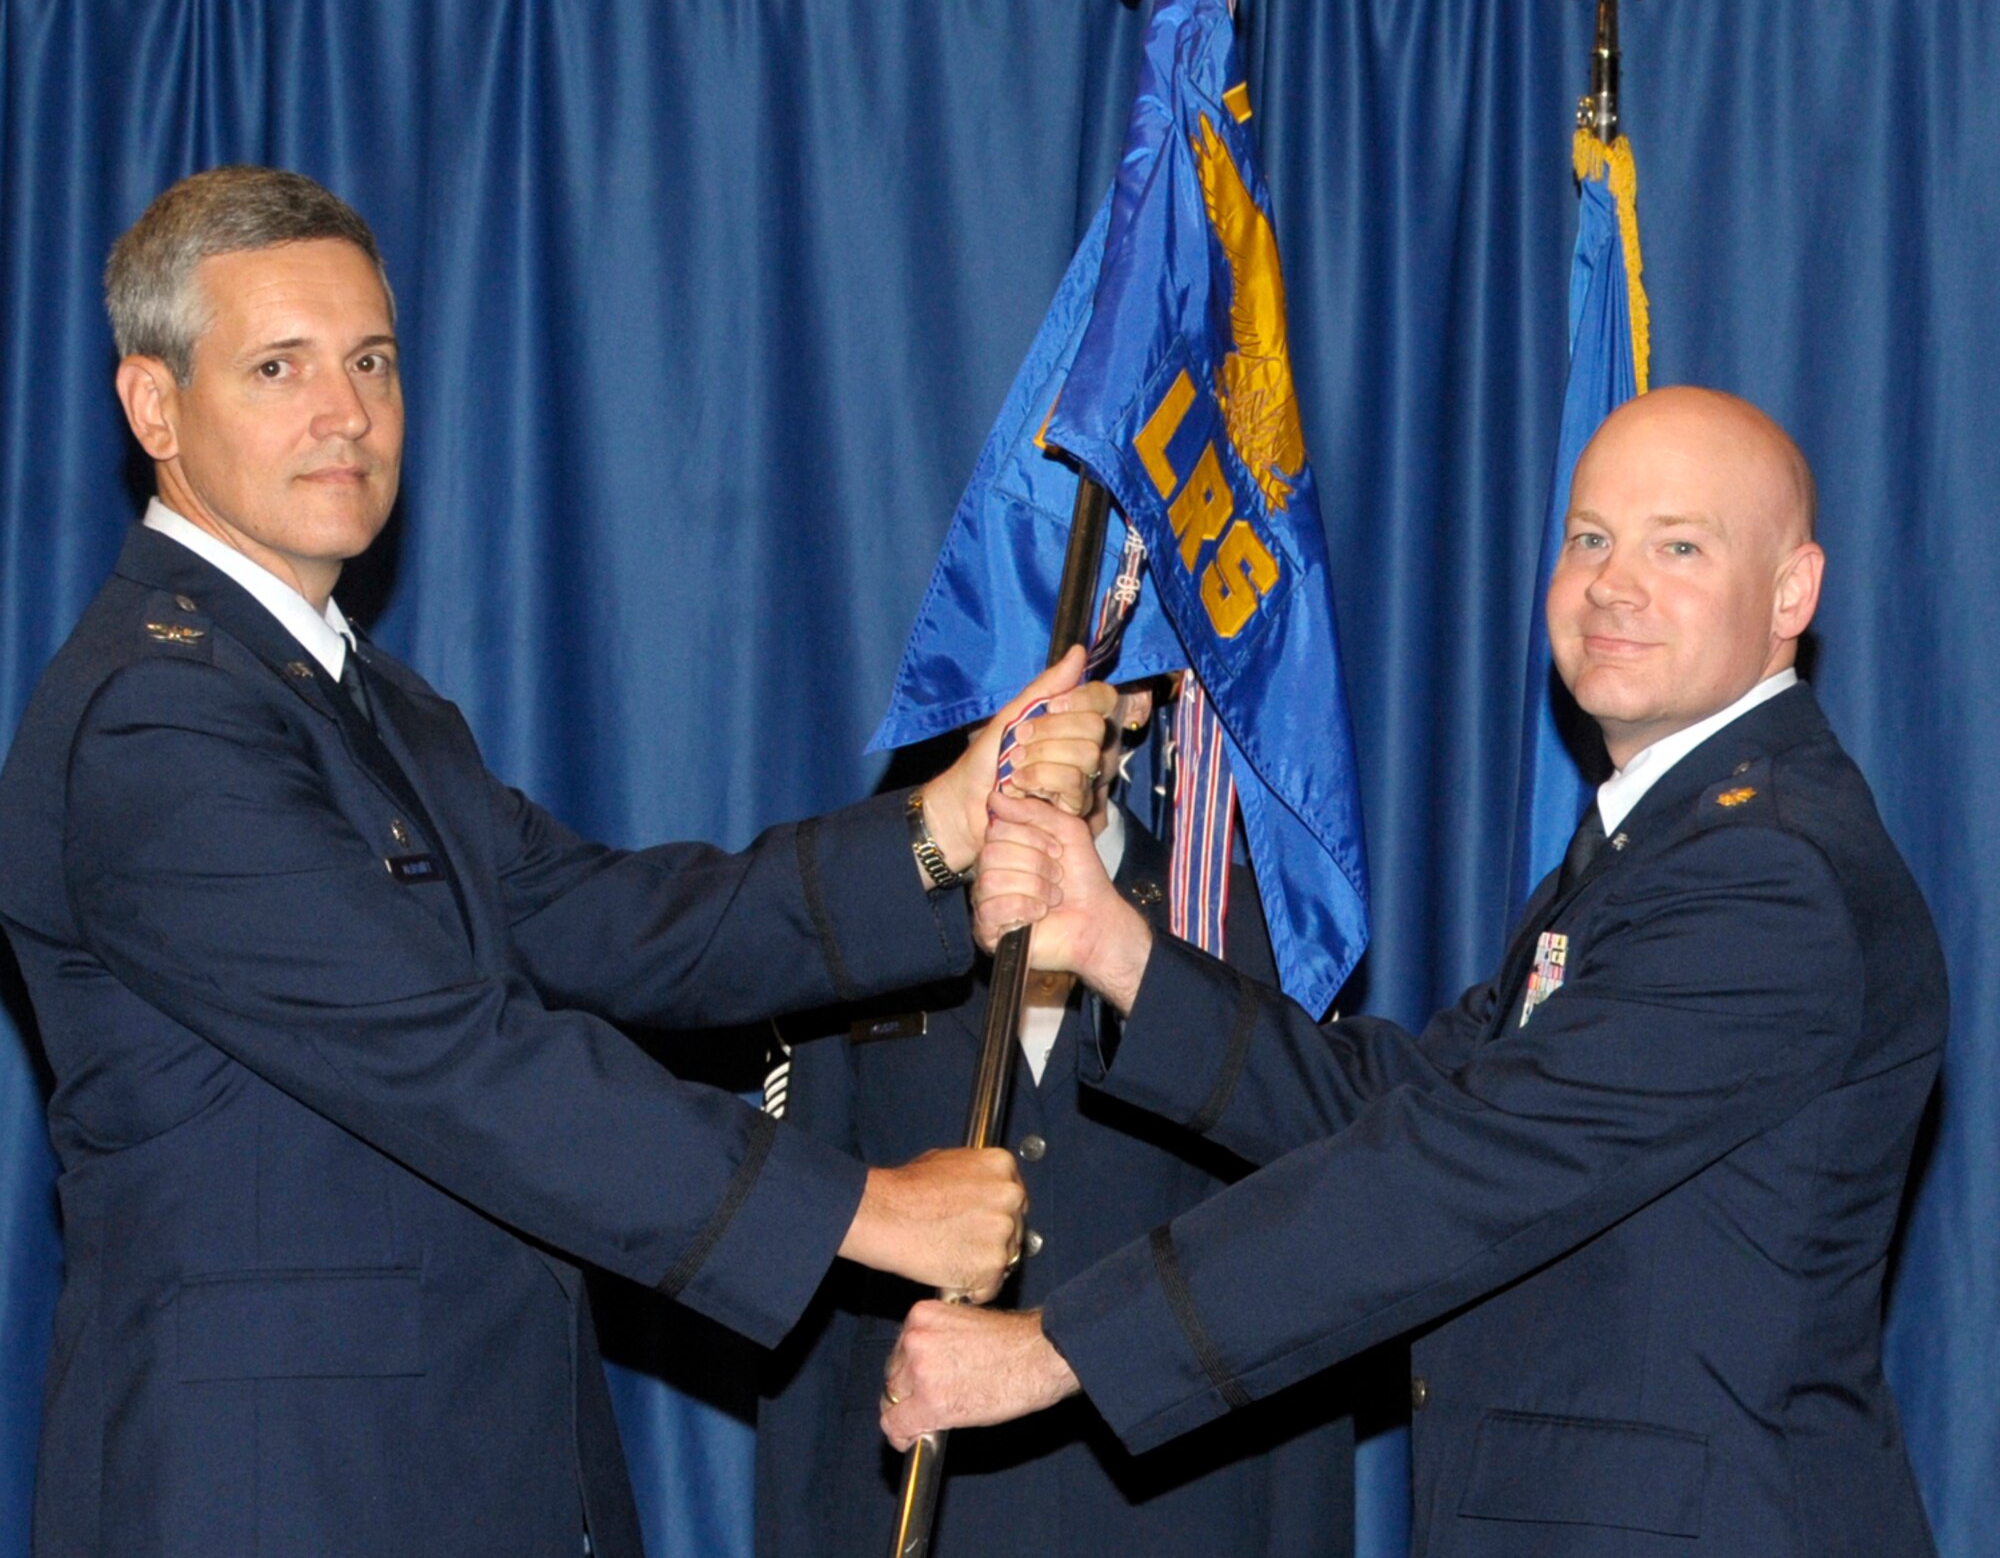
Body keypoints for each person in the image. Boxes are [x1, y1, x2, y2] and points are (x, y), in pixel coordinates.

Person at [0, 165, 1119, 1558]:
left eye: (372, 362)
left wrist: (943, 828)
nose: (345, 412)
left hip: (462, 1474)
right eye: (277, 367)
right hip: (273, 1492)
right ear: (153, 407)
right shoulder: (157, 722)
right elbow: (456, 1062)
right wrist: (861, 1212)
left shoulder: (377, 706)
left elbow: (621, 925)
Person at [882, 387, 1948, 1558]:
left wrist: (1057, 1348)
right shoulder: (1664, 842)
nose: (1612, 582)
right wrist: (1117, 950)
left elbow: (1455, 1171)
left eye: (1677, 545)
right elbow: (1412, 1106)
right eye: (1588, 537)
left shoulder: (1763, 872)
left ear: (1791, 592)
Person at [755, 683, 1354, 1558]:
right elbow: (804, 1276)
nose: (1036, 702)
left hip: (1180, 1514)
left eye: (1072, 666)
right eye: (1004, 661)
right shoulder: (864, 922)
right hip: (921, 1515)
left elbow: (1312, 1265)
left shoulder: (1246, 934)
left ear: (1140, 703)